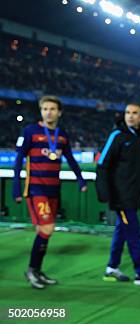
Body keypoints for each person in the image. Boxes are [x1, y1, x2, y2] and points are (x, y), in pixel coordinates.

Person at [12, 95, 87, 289]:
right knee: (47, 228)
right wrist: (16, 187)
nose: (48, 112)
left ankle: (37, 271)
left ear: (59, 112)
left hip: (54, 189)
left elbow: (70, 159)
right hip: (36, 189)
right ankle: (31, 270)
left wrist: (80, 179)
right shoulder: (30, 131)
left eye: (52, 109)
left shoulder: (62, 135)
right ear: (41, 111)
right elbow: (19, 159)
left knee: (44, 232)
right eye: (45, 109)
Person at [95, 103, 140, 285]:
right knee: (132, 231)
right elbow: (102, 164)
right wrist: (103, 191)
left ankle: (112, 267)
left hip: (133, 195)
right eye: (127, 113)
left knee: (121, 231)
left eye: (134, 113)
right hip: (121, 197)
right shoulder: (117, 136)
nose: (130, 116)